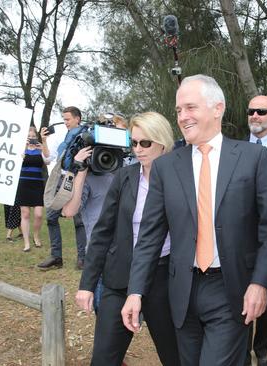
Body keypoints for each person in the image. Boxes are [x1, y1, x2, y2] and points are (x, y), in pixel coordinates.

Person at [121, 74, 267, 366]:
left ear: (217, 108)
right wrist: (135, 291)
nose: (183, 117)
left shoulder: (252, 158)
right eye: (179, 110)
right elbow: (149, 236)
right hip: (182, 291)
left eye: (191, 107)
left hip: (231, 290)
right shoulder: (167, 167)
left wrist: (260, 283)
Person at [73, 112, 180, 366]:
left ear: (162, 143)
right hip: (119, 277)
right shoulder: (125, 177)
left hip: (162, 280)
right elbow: (102, 232)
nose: (138, 150)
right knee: (103, 359)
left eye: (145, 143)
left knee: (175, 357)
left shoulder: (181, 180)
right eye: (134, 143)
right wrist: (87, 284)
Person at [244, 94, 267, 366]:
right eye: (251, 112)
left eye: (261, 111)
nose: (255, 116)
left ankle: (265, 358)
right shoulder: (231, 151)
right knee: (238, 314)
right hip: (239, 247)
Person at [37, 106, 88, 270]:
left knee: (79, 221)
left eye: (67, 119)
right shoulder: (62, 137)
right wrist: (44, 141)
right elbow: (48, 158)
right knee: (51, 216)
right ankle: (56, 256)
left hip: (79, 179)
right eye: (64, 119)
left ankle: (82, 258)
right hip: (62, 179)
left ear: (77, 118)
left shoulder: (88, 136)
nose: (65, 122)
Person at [16, 126, 50, 252]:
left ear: (37, 137)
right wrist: (24, 147)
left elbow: (48, 160)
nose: (31, 139)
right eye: (29, 137)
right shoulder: (21, 149)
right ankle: (26, 242)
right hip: (23, 183)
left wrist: (43, 144)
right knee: (25, 214)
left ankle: (36, 235)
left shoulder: (40, 148)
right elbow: (17, 161)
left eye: (33, 137)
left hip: (37, 184)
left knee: (39, 214)